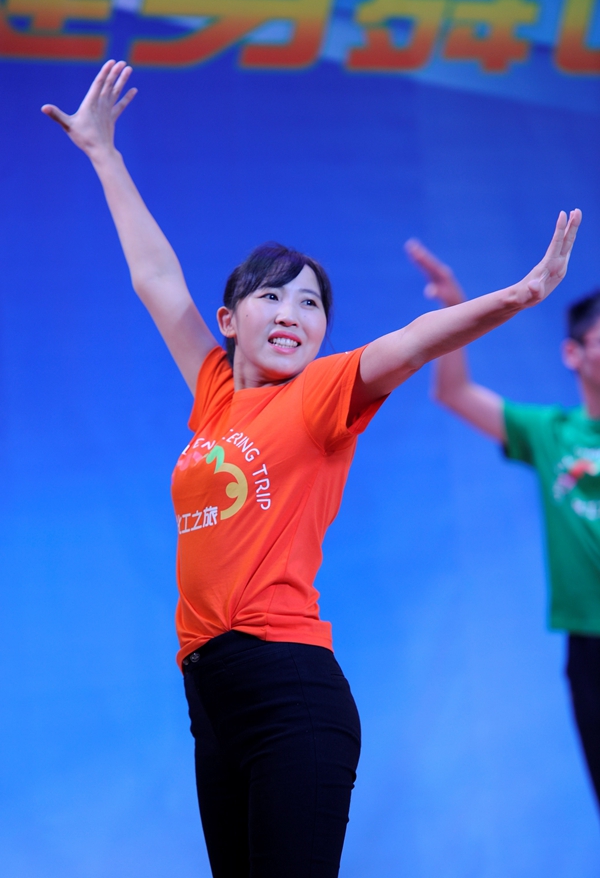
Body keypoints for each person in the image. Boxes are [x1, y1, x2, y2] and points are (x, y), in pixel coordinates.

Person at [42, 59, 581, 878]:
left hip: (289, 690)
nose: (293, 313)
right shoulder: (214, 393)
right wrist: (103, 153)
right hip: (210, 699)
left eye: (312, 303)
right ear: (229, 319)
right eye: (272, 296)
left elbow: (411, 343)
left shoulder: (321, 395)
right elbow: (156, 280)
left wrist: (521, 294)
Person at [406, 237, 600, 811]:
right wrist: (453, 311)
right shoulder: (550, 433)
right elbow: (454, 392)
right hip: (588, 645)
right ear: (573, 354)